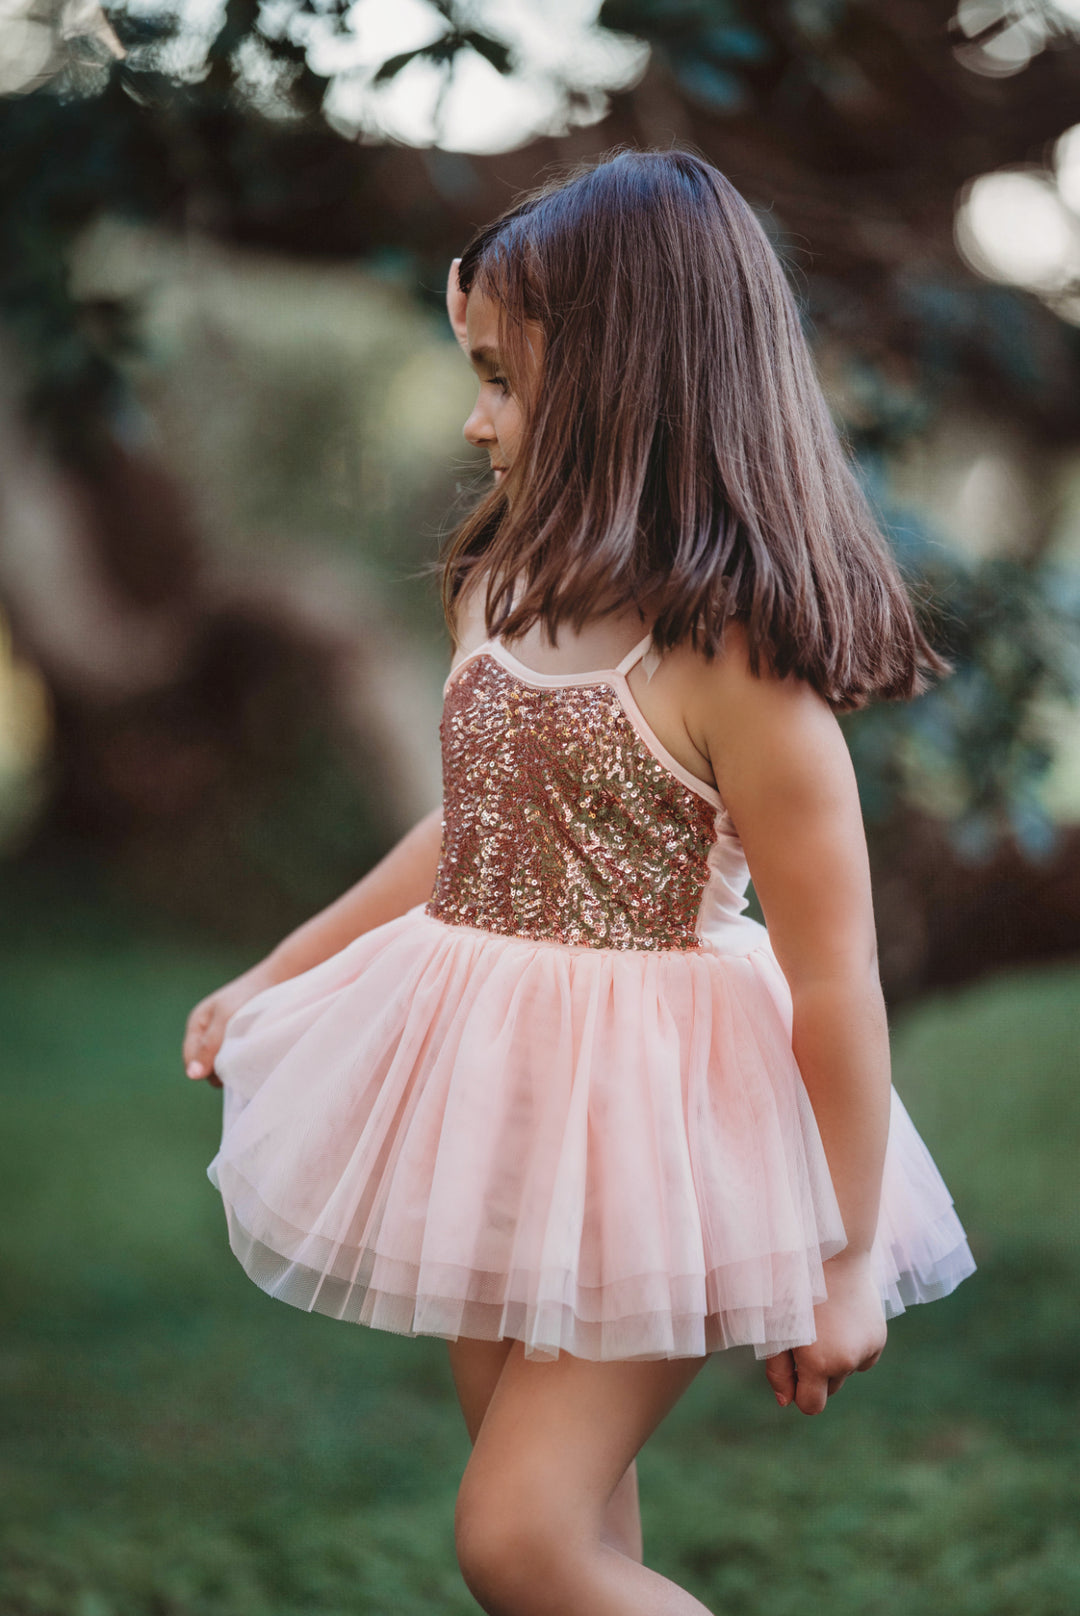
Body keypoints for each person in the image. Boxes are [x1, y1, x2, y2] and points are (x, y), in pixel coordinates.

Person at [183, 148, 975, 1616]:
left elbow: (832, 977)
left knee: (520, 1543)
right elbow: (467, 830)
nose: (475, 419)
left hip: (660, 1124)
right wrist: (279, 967)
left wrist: (848, 1258)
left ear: (625, 380)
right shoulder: (501, 585)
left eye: (501, 378)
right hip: (494, 1098)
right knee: (568, 1551)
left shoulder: (741, 666)